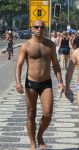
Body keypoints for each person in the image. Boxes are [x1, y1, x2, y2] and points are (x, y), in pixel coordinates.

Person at [15, 20, 64, 150]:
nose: (39, 29)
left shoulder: (50, 45)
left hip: (46, 83)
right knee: (31, 114)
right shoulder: (26, 45)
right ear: (32, 28)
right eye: (36, 27)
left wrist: (60, 81)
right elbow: (19, 65)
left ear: (45, 29)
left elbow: (56, 64)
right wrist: (18, 83)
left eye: (42, 27)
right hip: (31, 83)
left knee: (48, 114)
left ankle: (40, 135)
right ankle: (32, 143)